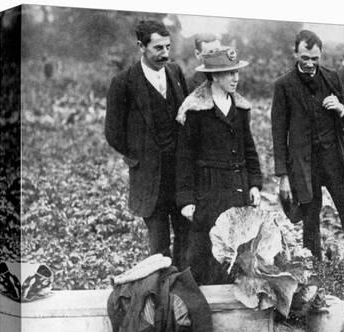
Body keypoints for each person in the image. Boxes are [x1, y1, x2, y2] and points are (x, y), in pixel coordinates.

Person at [271, 30, 344, 270]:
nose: (309, 63)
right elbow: (278, 133)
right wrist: (283, 176)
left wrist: (340, 108)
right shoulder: (283, 86)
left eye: (314, 58)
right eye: (304, 57)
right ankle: (315, 278)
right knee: (310, 223)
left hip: (335, 160)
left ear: (320, 56)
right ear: (295, 53)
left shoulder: (332, 77)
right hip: (305, 167)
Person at [104, 19, 190, 268]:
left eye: (168, 47)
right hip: (149, 180)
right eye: (158, 48)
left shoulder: (175, 73)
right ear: (141, 46)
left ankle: (183, 296)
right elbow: (113, 133)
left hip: (180, 177)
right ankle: (161, 298)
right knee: (159, 250)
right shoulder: (123, 83)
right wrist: (140, 155)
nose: (165, 54)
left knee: (186, 240)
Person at [175, 47, 263, 285]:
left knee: (238, 252)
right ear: (214, 76)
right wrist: (186, 200)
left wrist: (254, 184)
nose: (235, 78)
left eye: (236, 72)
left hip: (238, 188)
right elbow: (184, 158)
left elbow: (249, 149)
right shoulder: (194, 109)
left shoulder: (240, 108)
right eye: (228, 73)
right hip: (209, 191)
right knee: (207, 253)